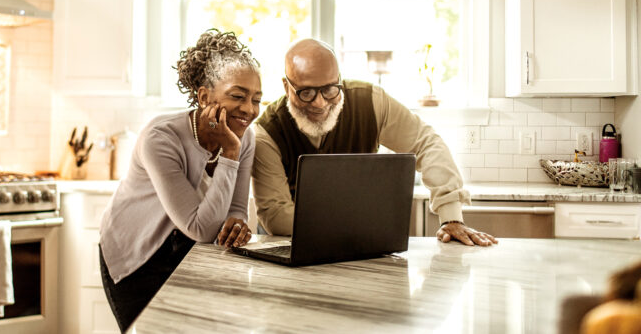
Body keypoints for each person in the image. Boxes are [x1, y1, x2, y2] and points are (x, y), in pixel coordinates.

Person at [252, 38, 497, 246]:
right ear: (286, 86)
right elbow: (275, 216)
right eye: (306, 92)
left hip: (359, 243)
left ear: (340, 79)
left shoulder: (372, 102)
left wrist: (451, 216)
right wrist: (363, 222)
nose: (320, 103)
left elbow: (426, 143)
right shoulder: (266, 132)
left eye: (330, 89)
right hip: (289, 245)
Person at [99, 29, 262, 333]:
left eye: (256, 99)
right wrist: (229, 152)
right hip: (137, 256)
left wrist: (237, 223)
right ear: (204, 97)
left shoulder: (245, 137)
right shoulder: (160, 138)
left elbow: (235, 210)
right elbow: (201, 228)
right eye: (238, 96)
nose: (249, 110)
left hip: (189, 254)